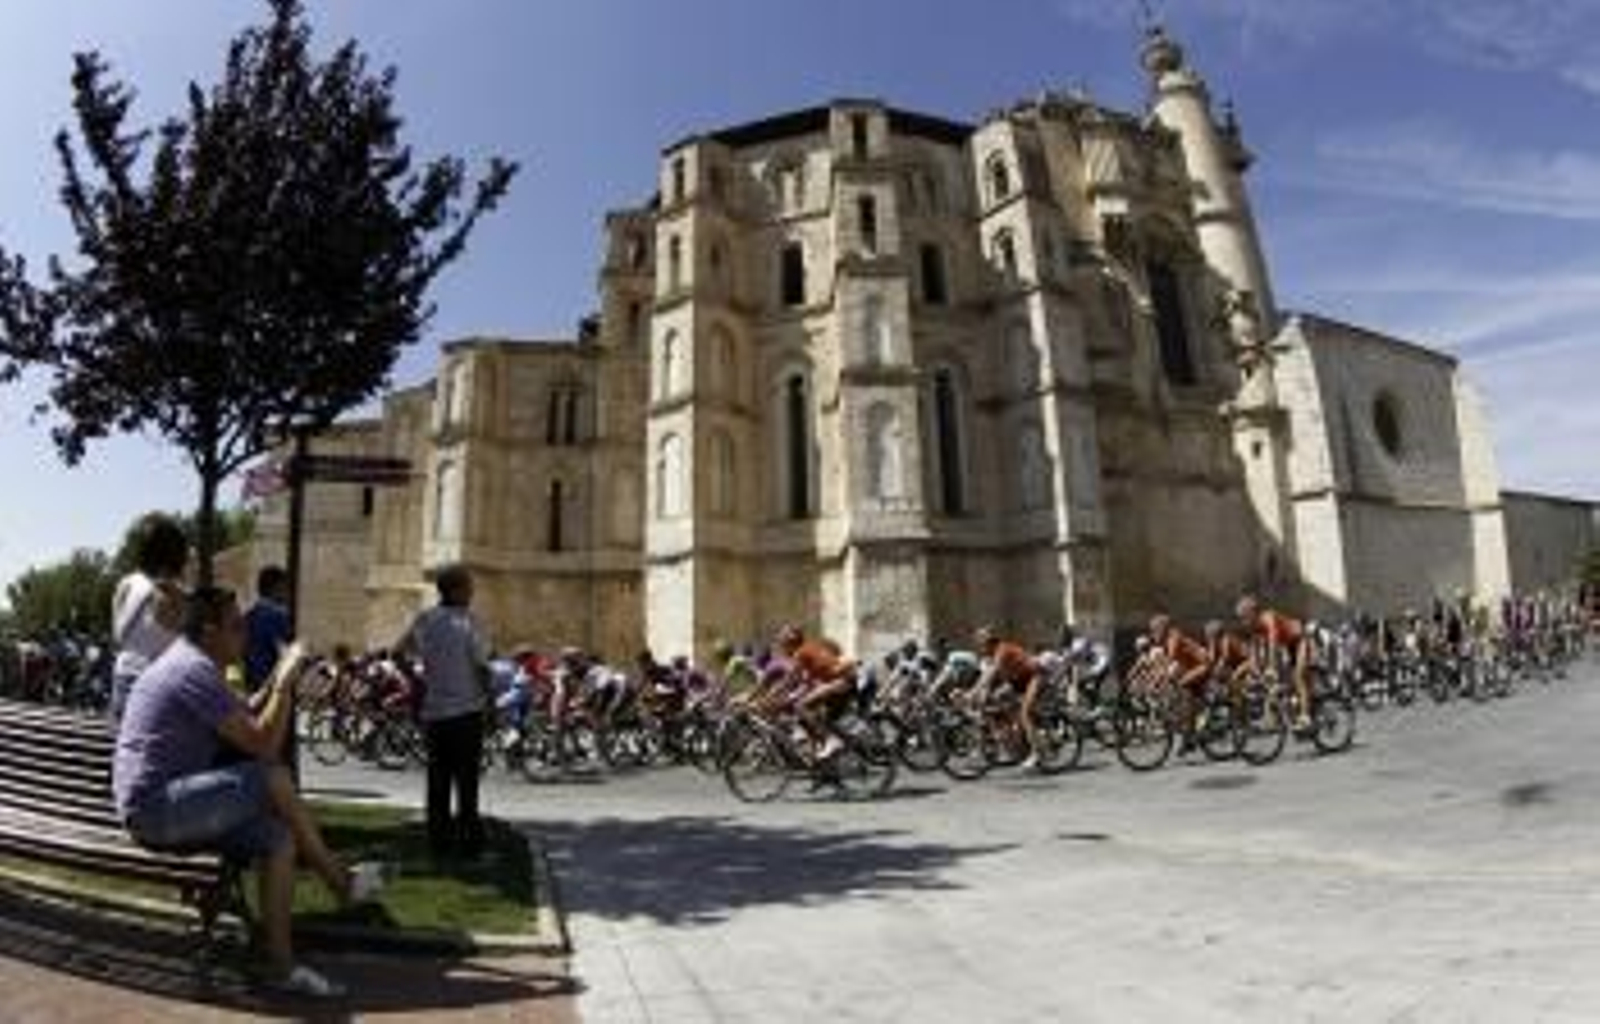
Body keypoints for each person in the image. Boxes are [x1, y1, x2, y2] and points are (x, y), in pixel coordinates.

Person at [113, 586, 372, 999]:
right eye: (236, 627)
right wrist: (284, 684)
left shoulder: (189, 662)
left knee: (278, 839)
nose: (245, 636)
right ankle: (337, 879)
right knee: (273, 777)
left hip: (166, 805)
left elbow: (244, 714)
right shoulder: (192, 670)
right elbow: (264, 745)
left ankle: (280, 965)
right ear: (209, 630)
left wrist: (277, 676)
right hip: (157, 810)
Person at [396, 565, 494, 862]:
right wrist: (490, 703)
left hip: (434, 714)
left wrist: (416, 681)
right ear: (456, 590)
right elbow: (482, 667)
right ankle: (469, 845)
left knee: (437, 782)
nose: (472, 592)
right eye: (468, 587)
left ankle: (438, 843)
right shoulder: (468, 622)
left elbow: (397, 653)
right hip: (466, 713)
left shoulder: (425, 619)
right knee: (467, 783)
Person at [109, 513, 190, 722]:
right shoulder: (174, 597)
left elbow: (117, 637)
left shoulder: (125, 585)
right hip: (156, 689)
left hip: (122, 681)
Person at [1236, 594, 1313, 730]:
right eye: (1241, 619)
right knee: (1273, 683)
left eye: (1244, 617)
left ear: (1252, 613)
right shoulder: (1254, 628)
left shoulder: (1268, 618)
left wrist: (1271, 667)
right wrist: (1256, 671)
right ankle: (1273, 716)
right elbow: (1255, 651)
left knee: (1299, 676)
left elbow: (1273, 643)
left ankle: (1306, 716)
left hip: (1300, 639)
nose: (1243, 622)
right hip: (1287, 646)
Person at [973, 625, 1043, 771]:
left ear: (990, 642)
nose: (980, 648)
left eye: (981, 644)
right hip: (1017, 681)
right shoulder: (992, 655)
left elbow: (992, 673)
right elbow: (986, 677)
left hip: (1033, 676)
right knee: (995, 700)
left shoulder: (1002, 650)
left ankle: (1037, 754)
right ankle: (1014, 738)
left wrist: (973, 692)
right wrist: (979, 693)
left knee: (1025, 714)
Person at [243, 566, 293, 694]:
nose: (288, 593)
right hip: (271, 685)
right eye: (285, 588)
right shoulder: (278, 615)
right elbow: (285, 653)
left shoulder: (248, 615)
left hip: (250, 684)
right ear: (277, 587)